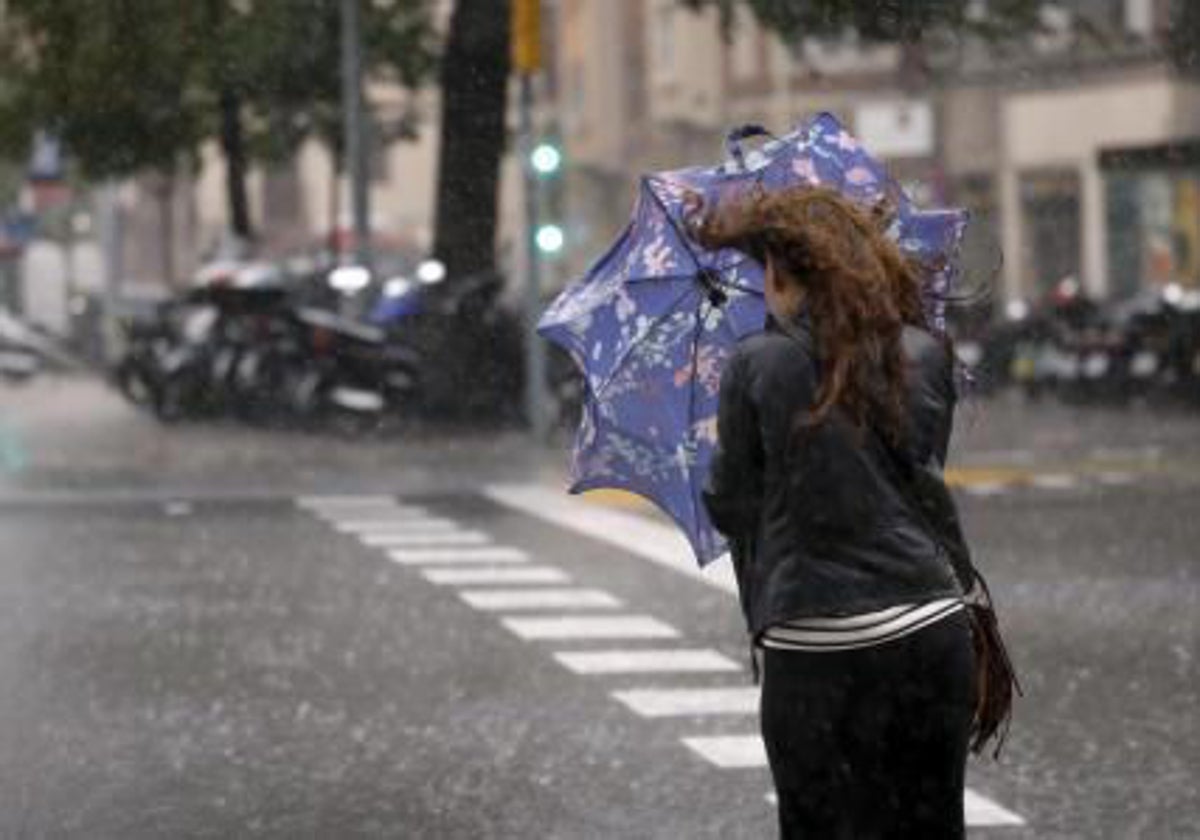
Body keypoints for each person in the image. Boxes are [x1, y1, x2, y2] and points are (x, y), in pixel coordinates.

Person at [694, 185, 979, 839]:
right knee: (930, 824)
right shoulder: (923, 353)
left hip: (816, 642)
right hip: (929, 628)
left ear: (778, 271)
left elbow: (732, 505)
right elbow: (909, 481)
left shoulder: (756, 364)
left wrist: (739, 447)